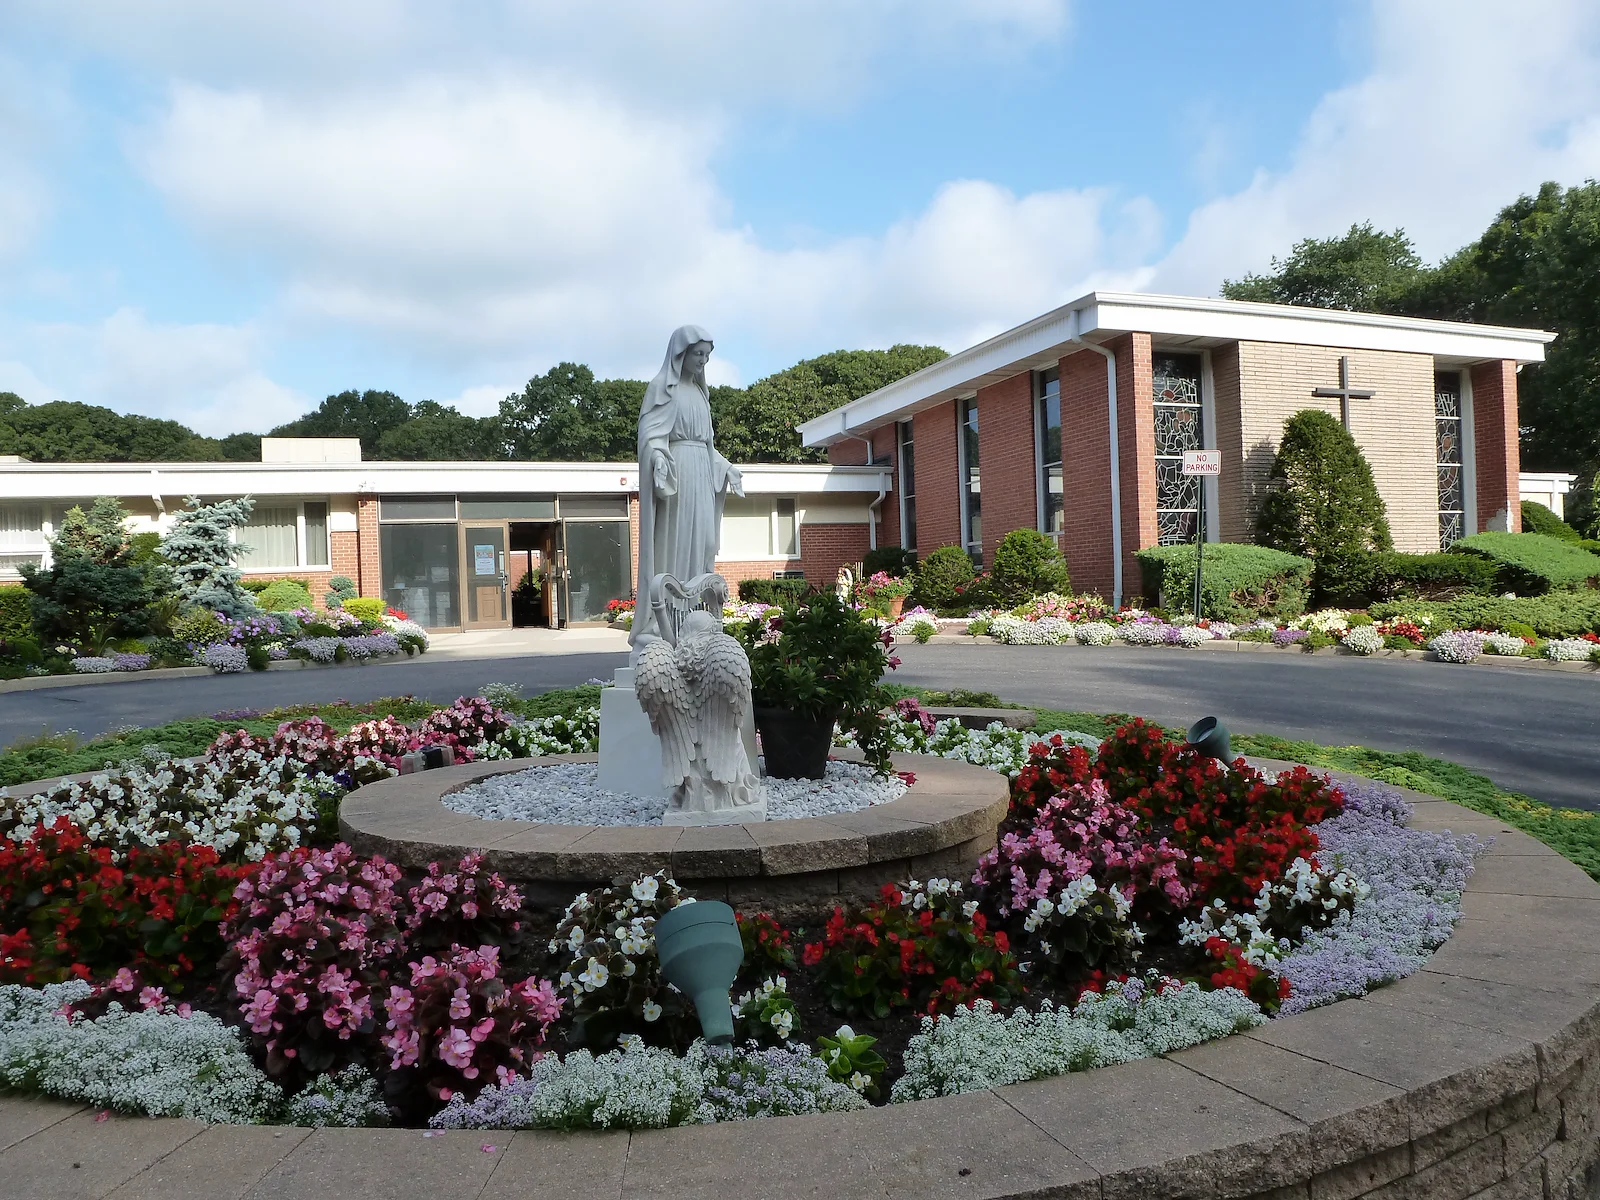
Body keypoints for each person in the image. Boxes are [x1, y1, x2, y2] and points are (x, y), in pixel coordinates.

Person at [631, 325, 743, 652]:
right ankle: (664, 620)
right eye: (698, 354)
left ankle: (695, 618)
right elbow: (650, 436)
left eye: (707, 355)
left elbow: (707, 446)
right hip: (677, 474)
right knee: (676, 543)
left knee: (701, 543)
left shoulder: (700, 394)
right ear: (681, 353)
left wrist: (726, 468)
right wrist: (657, 457)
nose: (703, 361)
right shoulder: (661, 388)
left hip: (701, 476)